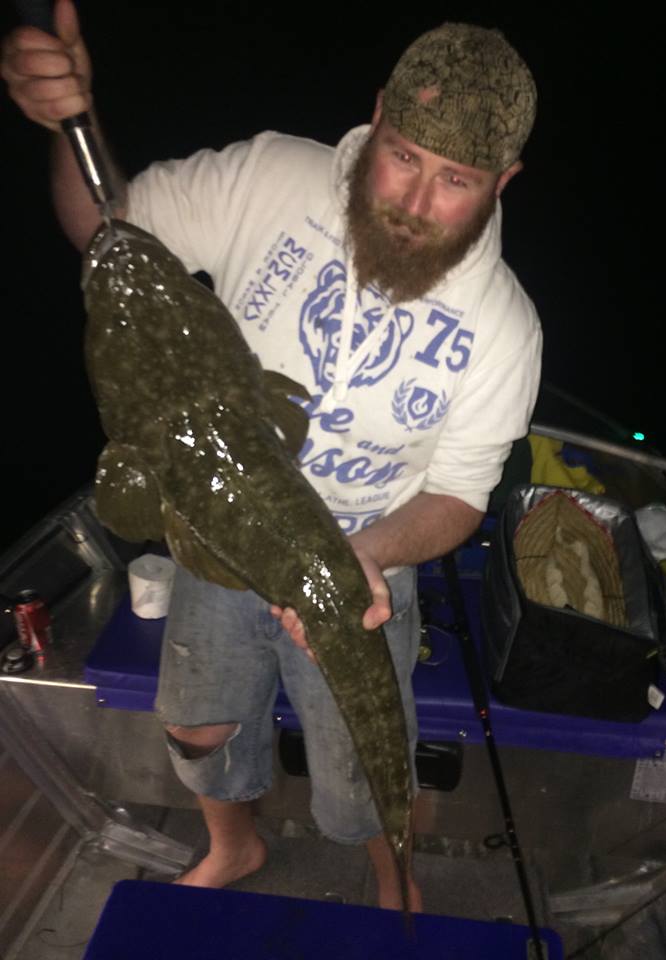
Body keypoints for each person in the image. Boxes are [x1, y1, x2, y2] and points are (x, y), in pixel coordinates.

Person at [2, 0, 541, 912]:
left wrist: (367, 555)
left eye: (454, 179)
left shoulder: (506, 326)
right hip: (215, 541)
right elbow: (109, 231)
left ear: (503, 181)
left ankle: (396, 881)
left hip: (366, 558)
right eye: (403, 156)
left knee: (364, 762)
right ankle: (237, 847)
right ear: (377, 116)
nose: (414, 203)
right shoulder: (270, 176)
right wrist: (69, 125)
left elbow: (458, 495)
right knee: (198, 727)